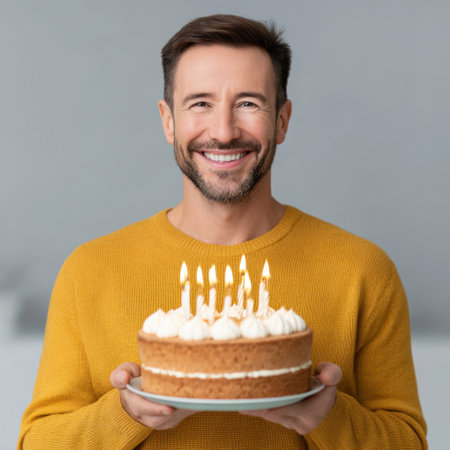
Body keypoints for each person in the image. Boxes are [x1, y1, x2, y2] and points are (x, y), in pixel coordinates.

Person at [19, 14, 427, 449]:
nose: (223, 131)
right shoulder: (89, 271)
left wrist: (326, 414)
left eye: (249, 103)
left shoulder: (363, 269)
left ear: (283, 120)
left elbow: (407, 442)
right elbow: (38, 441)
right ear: (167, 121)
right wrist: (126, 412)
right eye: (200, 103)